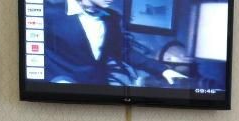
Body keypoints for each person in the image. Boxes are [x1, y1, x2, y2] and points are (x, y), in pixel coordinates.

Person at [44, 0, 186, 86]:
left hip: (98, 93)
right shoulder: (49, 13)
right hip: (61, 93)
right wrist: (55, 79)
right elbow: (36, 52)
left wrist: (163, 70)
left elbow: (124, 51)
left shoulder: (111, 18)